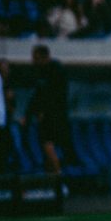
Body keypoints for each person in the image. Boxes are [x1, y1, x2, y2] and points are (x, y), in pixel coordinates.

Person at [25, 45, 75, 175]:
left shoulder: (55, 70)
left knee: (47, 143)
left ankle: (57, 174)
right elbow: (37, 95)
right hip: (51, 115)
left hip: (54, 115)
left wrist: (43, 111)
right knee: (46, 144)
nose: (33, 61)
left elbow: (50, 94)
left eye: (36, 58)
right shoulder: (41, 72)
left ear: (44, 57)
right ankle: (52, 174)